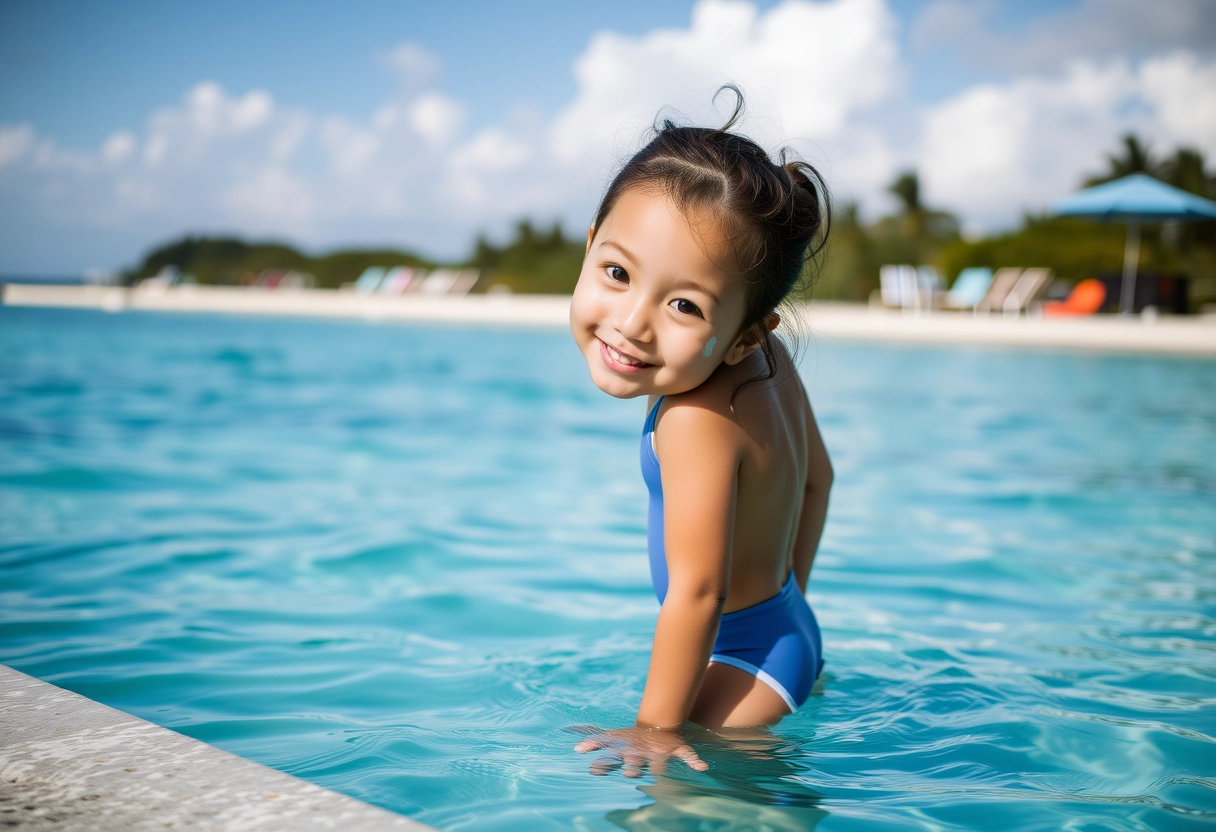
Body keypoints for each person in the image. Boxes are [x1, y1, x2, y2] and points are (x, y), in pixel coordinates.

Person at [569, 88, 834, 778]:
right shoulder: (771, 363)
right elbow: (817, 480)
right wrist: (793, 610)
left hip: (747, 658)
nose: (633, 320)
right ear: (590, 246)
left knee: (677, 805)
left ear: (746, 332)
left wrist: (655, 729)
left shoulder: (691, 420)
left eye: (684, 304)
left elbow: (697, 593)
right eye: (618, 272)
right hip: (784, 631)